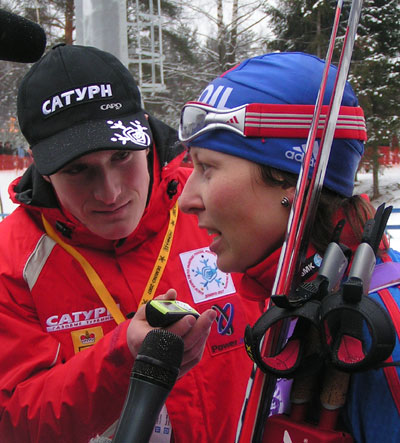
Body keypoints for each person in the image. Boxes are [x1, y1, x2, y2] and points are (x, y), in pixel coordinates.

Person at [0, 44, 259, 443]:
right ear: (42, 167)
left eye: (122, 155)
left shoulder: (217, 198)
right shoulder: (11, 260)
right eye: (77, 170)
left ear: (146, 131)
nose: (110, 193)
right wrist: (122, 360)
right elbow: (14, 422)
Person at [178, 52, 400, 442]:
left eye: (207, 168)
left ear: (291, 184)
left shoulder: (383, 327)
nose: (186, 199)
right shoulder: (284, 296)